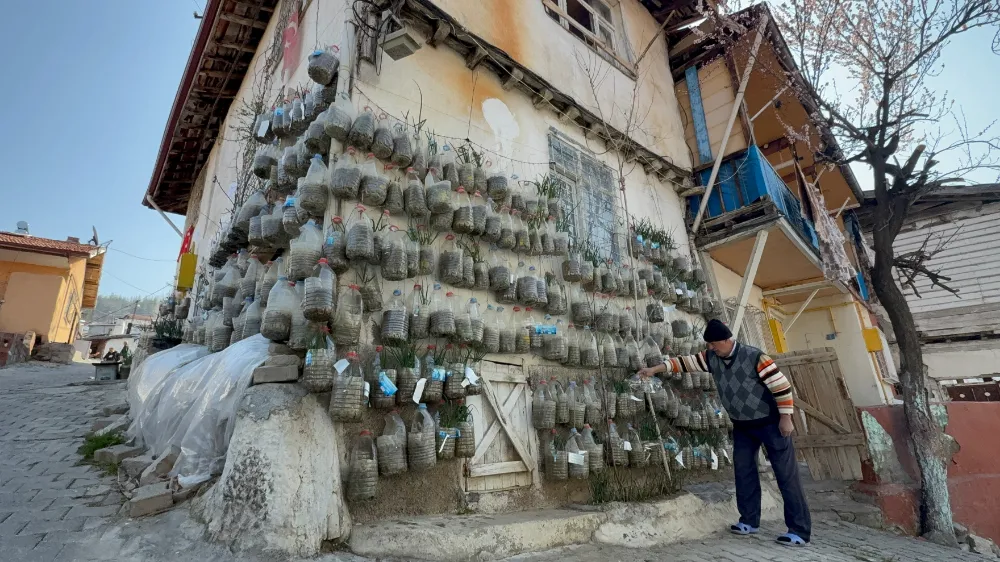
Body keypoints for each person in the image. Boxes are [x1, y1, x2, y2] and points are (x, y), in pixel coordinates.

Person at [638, 318, 811, 547]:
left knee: (786, 475)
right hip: (742, 425)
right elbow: (684, 363)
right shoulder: (712, 357)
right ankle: (749, 520)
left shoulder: (755, 357)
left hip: (770, 423)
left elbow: (781, 386)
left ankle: (799, 530)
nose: (711, 348)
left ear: (727, 340)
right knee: (744, 472)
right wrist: (654, 370)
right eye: (709, 345)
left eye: (714, 344)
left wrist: (786, 417)